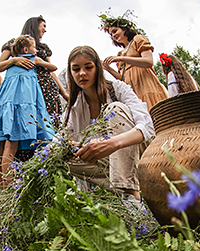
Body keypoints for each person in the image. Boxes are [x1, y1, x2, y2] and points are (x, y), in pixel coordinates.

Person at [63, 46, 155, 202]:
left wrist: (114, 143)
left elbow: (147, 127)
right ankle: (119, 189)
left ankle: (130, 196)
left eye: (88, 67)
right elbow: (62, 136)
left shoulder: (117, 88)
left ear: (97, 68)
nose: (82, 73)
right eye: (76, 69)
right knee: (59, 154)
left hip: (138, 153)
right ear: (71, 73)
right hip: (107, 165)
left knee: (115, 109)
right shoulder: (75, 106)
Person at [0, 35, 55, 187]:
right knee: (11, 144)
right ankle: (8, 188)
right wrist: (38, 62)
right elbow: (53, 67)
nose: (36, 50)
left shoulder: (10, 63)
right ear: (27, 49)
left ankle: (0, 186)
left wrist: (12, 61)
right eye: (35, 47)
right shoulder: (31, 59)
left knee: (3, 147)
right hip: (22, 102)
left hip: (6, 102)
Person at [0, 16, 68, 161]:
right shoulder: (14, 44)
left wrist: (64, 93)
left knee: (46, 130)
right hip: (24, 92)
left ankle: (47, 169)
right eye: (43, 26)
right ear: (35, 26)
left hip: (47, 91)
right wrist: (14, 60)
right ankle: (23, 172)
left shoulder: (42, 49)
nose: (45, 30)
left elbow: (51, 71)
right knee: (25, 128)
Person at [100, 13, 167, 111]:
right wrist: (107, 68)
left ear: (124, 29)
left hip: (145, 84)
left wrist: (121, 59)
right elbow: (123, 78)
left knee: (154, 111)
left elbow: (148, 61)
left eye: (115, 31)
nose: (114, 35)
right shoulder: (120, 54)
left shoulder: (137, 39)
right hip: (132, 90)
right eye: (111, 34)